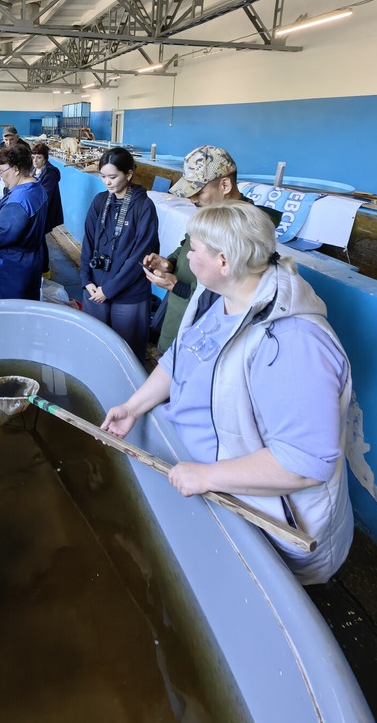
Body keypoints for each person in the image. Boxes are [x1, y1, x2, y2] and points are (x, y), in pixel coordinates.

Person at [104, 201, 353, 585]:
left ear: (224, 262)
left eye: (195, 248)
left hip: (266, 523)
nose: (187, 255)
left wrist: (206, 476)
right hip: (212, 486)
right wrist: (133, 407)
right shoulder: (222, 299)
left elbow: (302, 463)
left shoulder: (292, 342)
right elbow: (180, 359)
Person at [143, 145, 282, 353]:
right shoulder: (211, 213)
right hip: (179, 314)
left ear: (225, 185)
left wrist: (178, 287)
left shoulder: (248, 231)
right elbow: (186, 245)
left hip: (206, 331)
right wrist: (169, 262)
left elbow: (236, 296)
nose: (192, 199)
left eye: (198, 191)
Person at [80, 148, 159, 360]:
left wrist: (110, 289)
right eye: (103, 176)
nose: (107, 182)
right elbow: (88, 242)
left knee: (127, 353)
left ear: (129, 174)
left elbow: (140, 256)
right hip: (95, 289)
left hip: (127, 294)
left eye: (113, 177)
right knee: (96, 350)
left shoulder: (144, 207)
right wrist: (86, 280)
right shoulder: (99, 201)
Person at [0, 142, 48, 300]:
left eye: (3, 170)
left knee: (0, 316)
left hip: (7, 268)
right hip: (28, 262)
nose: (0, 175)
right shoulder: (37, 188)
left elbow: (2, 234)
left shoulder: (20, 199)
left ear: (16, 169)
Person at [32, 142, 64, 275]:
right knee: (37, 239)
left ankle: (45, 270)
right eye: (33, 157)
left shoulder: (50, 173)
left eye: (38, 157)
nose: (35, 160)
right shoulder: (33, 170)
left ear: (45, 158)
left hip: (45, 212)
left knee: (39, 239)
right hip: (36, 211)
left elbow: (45, 195)